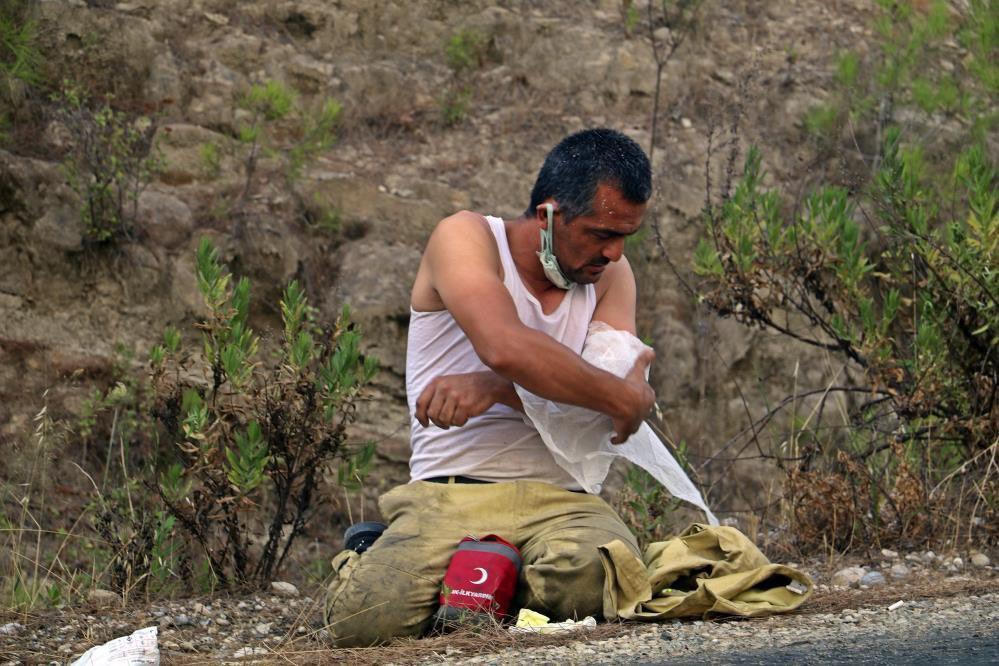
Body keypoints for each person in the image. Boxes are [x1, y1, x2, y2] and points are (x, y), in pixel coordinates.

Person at [324, 128, 656, 646]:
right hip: (451, 490)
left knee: (598, 579)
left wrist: (502, 390)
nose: (613, 253)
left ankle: (477, 587)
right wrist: (621, 397)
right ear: (548, 216)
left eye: (624, 238)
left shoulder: (611, 276)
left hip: (562, 498)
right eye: (598, 234)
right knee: (363, 622)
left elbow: (605, 415)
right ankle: (381, 557)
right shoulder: (466, 238)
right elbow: (505, 344)